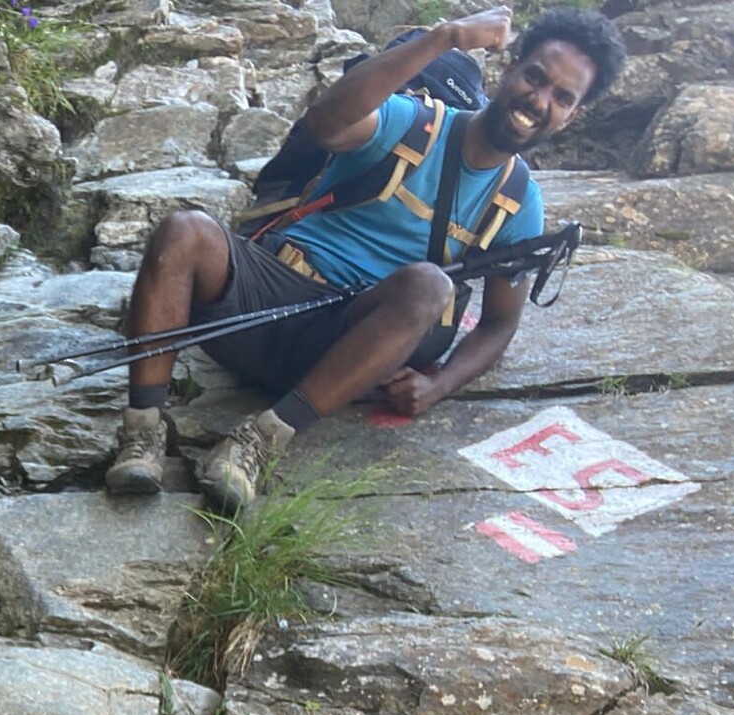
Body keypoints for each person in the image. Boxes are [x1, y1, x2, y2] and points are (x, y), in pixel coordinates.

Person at [104, 6, 627, 512]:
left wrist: (439, 384)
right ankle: (143, 433)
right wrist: (445, 37)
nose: (539, 100)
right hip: (264, 298)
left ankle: (260, 440)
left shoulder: (518, 202)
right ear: (509, 68)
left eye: (562, 97)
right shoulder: (415, 123)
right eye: (534, 77)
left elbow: (498, 326)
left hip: (345, 356)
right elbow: (327, 122)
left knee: (429, 286)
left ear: (572, 115)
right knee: (185, 231)